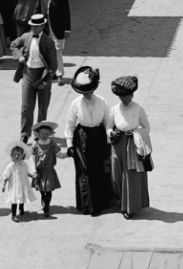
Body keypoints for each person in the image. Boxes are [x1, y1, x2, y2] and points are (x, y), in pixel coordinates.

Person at [64, 66, 114, 215]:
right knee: (84, 171)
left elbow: (108, 122)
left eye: (89, 92)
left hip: (98, 136)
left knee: (99, 169)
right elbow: (70, 126)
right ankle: (88, 205)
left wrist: (109, 140)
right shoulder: (75, 104)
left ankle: (101, 202)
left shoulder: (102, 101)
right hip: (82, 139)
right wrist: (69, 145)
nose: (87, 95)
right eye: (84, 93)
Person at [108, 75, 152, 219]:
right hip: (117, 143)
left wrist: (136, 134)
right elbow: (109, 125)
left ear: (132, 95)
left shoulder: (139, 109)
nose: (124, 100)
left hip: (132, 144)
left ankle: (130, 208)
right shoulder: (114, 110)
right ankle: (121, 201)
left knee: (130, 175)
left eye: (126, 96)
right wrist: (110, 132)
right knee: (116, 174)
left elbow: (146, 127)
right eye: (121, 97)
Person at [11, 12, 57, 142]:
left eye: (36, 26)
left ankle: (39, 134)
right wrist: (19, 55)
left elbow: (53, 65)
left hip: (43, 75)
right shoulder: (26, 37)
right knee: (26, 107)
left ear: (42, 26)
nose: (33, 28)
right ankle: (24, 134)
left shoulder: (48, 42)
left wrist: (47, 81)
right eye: (32, 26)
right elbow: (14, 45)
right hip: (28, 74)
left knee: (43, 107)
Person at [38, 0, 71, 84]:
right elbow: (37, 10)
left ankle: (58, 74)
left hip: (57, 28)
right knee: (49, 51)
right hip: (45, 28)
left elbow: (66, 13)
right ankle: (55, 74)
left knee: (57, 50)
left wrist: (67, 29)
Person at [30, 120, 61, 219]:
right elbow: (32, 159)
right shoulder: (35, 145)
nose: (44, 135)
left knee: (48, 189)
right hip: (39, 172)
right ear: (38, 133)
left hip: (49, 171)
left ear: (50, 134)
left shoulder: (52, 144)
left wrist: (67, 154)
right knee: (42, 190)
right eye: (42, 133)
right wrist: (33, 170)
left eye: (46, 133)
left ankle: (47, 206)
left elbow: (58, 154)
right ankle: (43, 199)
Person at [1, 141, 37, 223]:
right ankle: (13, 214)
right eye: (14, 154)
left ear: (22, 155)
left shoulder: (24, 164)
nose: (16, 156)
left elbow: (26, 172)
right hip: (14, 186)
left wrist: (32, 175)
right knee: (14, 200)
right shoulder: (10, 166)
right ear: (11, 155)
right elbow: (6, 176)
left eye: (19, 154)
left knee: (22, 197)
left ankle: (21, 209)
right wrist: (4, 185)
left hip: (23, 185)